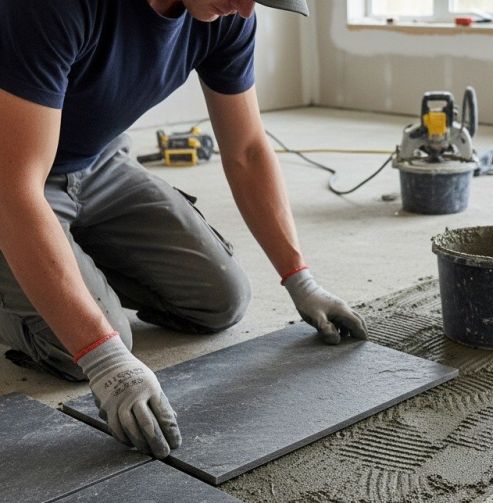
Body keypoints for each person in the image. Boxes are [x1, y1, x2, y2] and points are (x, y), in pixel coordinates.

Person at [0, 0, 367, 459]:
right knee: (83, 346)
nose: (247, 9)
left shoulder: (229, 14)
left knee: (220, 300)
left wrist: (300, 278)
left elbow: (248, 151)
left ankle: (61, 260)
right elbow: (14, 188)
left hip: (97, 163)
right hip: (12, 175)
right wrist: (102, 354)